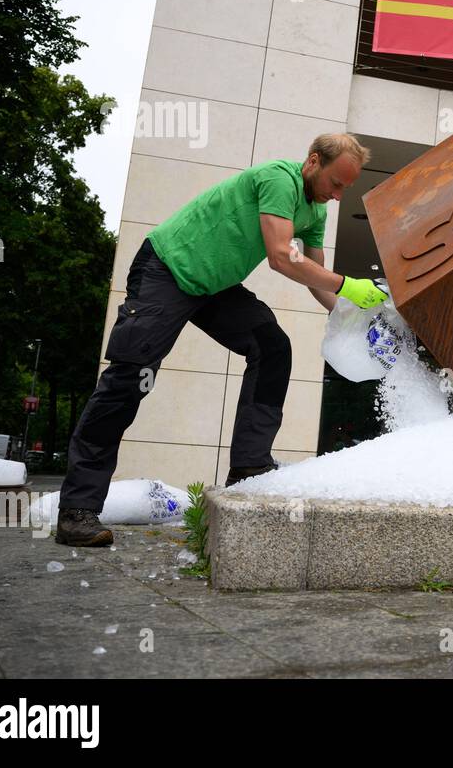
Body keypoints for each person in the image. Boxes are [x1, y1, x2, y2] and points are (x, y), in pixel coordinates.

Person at [56, 133, 388, 547]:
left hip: (214, 289)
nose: (338, 195)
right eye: (336, 184)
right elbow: (283, 257)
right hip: (168, 269)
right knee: (129, 378)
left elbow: (316, 279)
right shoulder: (277, 179)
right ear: (313, 161)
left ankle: (249, 466)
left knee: (273, 349)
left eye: (346, 188)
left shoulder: (315, 209)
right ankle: (76, 510)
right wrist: (348, 285)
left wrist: (350, 316)